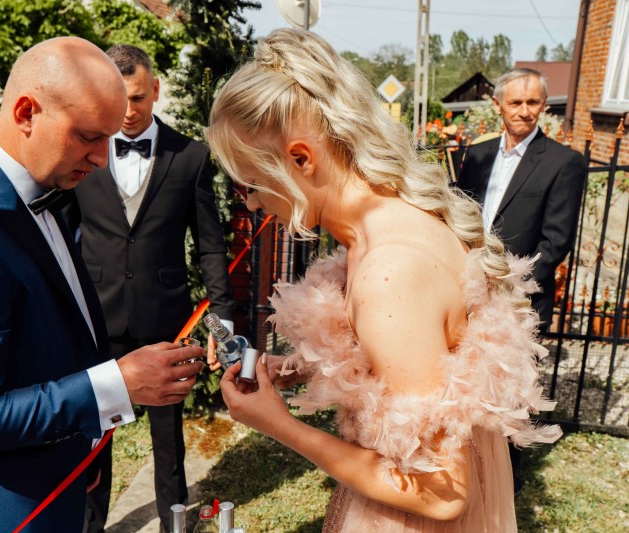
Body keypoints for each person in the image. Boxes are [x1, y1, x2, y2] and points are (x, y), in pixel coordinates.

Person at [207, 28, 562, 532]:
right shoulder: (397, 217)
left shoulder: (389, 273)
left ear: (300, 159)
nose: (252, 202)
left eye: (250, 182)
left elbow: (440, 491)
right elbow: (413, 362)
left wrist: (278, 424)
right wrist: (293, 369)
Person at [0, 37, 204, 533]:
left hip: (55, 477)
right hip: (2, 511)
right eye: (88, 137)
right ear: (26, 113)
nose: (102, 158)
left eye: (108, 139)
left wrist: (80, 446)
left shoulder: (38, 185)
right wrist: (119, 384)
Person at [71, 44, 234, 532]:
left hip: (165, 319)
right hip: (97, 319)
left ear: (156, 89)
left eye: (138, 98)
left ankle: (173, 521)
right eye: (118, 98)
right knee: (96, 433)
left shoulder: (191, 156)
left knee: (168, 436)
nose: (127, 111)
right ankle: (90, 525)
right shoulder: (84, 152)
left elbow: (210, 246)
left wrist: (221, 320)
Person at [456, 68, 586, 334]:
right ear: (498, 105)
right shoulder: (478, 154)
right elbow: (460, 213)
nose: (524, 111)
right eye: (515, 102)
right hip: (465, 288)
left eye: (533, 102)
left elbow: (556, 241)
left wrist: (510, 285)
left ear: (544, 104)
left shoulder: (563, 162)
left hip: (519, 299)